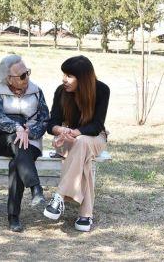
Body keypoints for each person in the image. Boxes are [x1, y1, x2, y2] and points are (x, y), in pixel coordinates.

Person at [43, 55, 110, 232]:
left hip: (93, 138)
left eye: (69, 75)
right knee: (83, 156)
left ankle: (59, 196)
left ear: (83, 78)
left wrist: (77, 132)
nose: (64, 79)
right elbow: (51, 124)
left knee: (82, 144)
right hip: (66, 139)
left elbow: (97, 125)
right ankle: (85, 215)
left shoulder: (102, 90)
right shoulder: (61, 91)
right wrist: (61, 131)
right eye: (64, 74)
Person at [0, 55, 49, 232]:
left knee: (17, 162)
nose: (27, 78)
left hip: (31, 141)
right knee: (17, 141)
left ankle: (13, 216)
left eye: (27, 73)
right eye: (22, 75)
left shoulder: (36, 91)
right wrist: (17, 128)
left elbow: (45, 119)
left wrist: (30, 132)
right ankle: (35, 188)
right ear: (9, 78)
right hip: (5, 140)